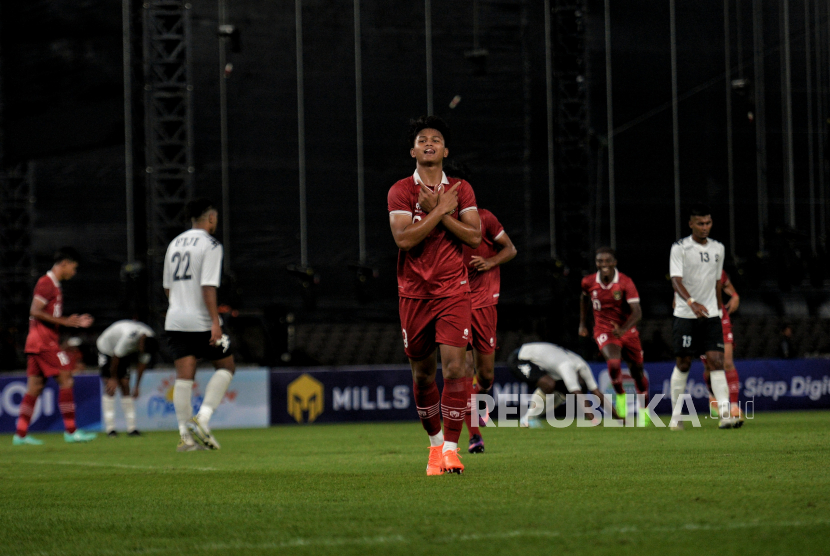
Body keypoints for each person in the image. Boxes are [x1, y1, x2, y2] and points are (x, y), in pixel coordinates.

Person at [388, 115, 481, 475]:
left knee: (457, 367)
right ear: (412, 150)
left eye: (436, 139)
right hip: (414, 294)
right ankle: (434, 447)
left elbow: (474, 238)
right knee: (424, 376)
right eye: (422, 139)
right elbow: (404, 239)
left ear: (445, 150)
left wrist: (441, 211)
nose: (429, 143)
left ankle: (452, 450)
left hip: (453, 290)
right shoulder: (400, 190)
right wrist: (442, 210)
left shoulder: (461, 189)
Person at [164, 198, 236, 452]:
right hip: (200, 319)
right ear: (211, 218)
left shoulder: (174, 244)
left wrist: (179, 308)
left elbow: (167, 288)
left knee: (184, 376)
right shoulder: (211, 245)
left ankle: (185, 437)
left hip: (174, 318)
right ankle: (203, 418)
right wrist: (214, 322)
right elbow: (208, 286)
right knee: (226, 365)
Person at [13, 247, 96, 445]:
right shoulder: (46, 283)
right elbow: (35, 310)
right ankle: (71, 431)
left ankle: (20, 434)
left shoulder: (54, 285)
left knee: (35, 387)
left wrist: (65, 321)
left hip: (36, 342)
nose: (74, 273)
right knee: (66, 379)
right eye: (73, 268)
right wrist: (65, 321)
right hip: (44, 342)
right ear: (64, 264)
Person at [669, 204, 737, 430]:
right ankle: (676, 416)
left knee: (717, 361)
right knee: (684, 362)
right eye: (700, 223)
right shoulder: (680, 248)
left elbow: (718, 281)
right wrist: (691, 302)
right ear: (691, 224)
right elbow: (675, 280)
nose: (705, 227)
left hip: (710, 315)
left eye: (708, 223)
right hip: (685, 314)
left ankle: (725, 414)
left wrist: (718, 309)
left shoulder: (718, 248)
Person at [461, 207, 517, 454]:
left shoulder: (485, 218)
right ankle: (474, 436)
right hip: (454, 303)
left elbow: (510, 249)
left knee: (485, 376)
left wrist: (490, 261)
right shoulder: (438, 222)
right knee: (459, 373)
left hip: (484, 304)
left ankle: (476, 400)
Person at [579, 247, 650, 423]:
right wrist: (582, 323)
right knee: (613, 362)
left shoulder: (625, 282)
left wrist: (624, 329)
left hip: (628, 331)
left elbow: (637, 312)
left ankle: (645, 408)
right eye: (600, 261)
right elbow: (584, 298)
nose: (604, 265)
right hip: (604, 330)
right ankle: (620, 395)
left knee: (638, 374)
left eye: (607, 261)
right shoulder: (588, 282)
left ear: (614, 262)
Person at [506, 342, 614, 427]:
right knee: (549, 385)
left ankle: (529, 417)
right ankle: (527, 419)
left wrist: (619, 418)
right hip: (520, 357)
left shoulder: (582, 365)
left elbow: (597, 393)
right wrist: (593, 419)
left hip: (540, 360)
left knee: (561, 390)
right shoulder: (567, 367)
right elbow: (579, 395)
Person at [96, 319, 159, 437]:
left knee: (125, 385)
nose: (141, 351)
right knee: (110, 387)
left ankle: (132, 428)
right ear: (141, 341)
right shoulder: (129, 337)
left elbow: (142, 364)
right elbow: (116, 356)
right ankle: (110, 429)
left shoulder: (149, 341)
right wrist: (113, 378)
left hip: (123, 352)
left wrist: (137, 386)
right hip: (107, 348)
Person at [702, 271, 743, 424]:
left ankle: (733, 406)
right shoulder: (688, 265)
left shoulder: (714, 263)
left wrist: (735, 295)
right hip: (699, 317)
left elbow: (726, 284)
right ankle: (712, 395)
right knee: (710, 366)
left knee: (727, 361)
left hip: (720, 316)